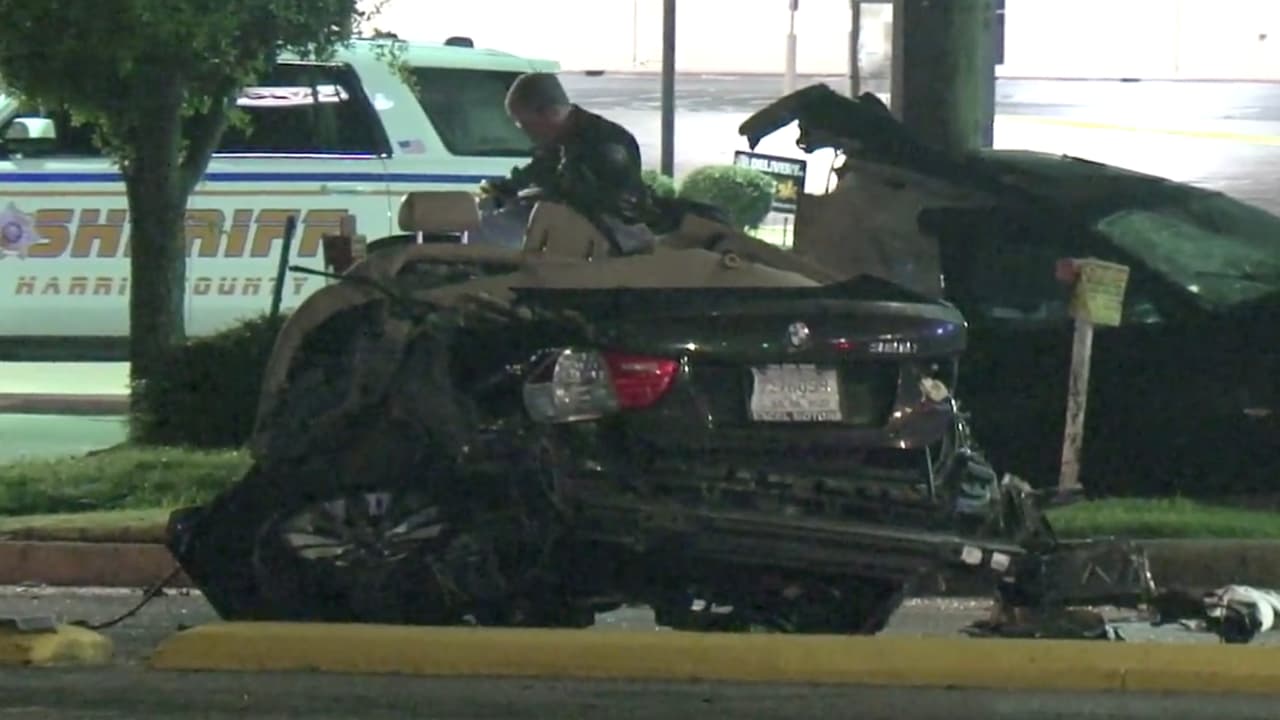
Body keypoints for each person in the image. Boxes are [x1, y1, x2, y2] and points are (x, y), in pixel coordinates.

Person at [479, 73, 654, 248]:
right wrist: (503, 191)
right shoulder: (559, 139)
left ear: (551, 113)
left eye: (525, 124)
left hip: (609, 238)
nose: (525, 133)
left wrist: (546, 194)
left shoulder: (608, 143)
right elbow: (537, 172)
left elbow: (612, 202)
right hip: (571, 231)